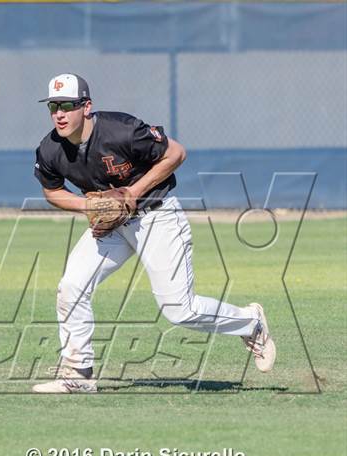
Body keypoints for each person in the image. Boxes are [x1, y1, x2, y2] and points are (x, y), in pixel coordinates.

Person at [32, 73, 276, 394]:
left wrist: (132, 193)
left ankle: (251, 323)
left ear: (87, 106)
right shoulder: (51, 149)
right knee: (71, 287)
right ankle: (79, 372)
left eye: (68, 105)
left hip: (156, 216)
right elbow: (52, 191)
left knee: (179, 310)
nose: (59, 114)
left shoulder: (121, 130)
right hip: (112, 226)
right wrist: (88, 207)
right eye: (54, 106)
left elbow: (175, 153)